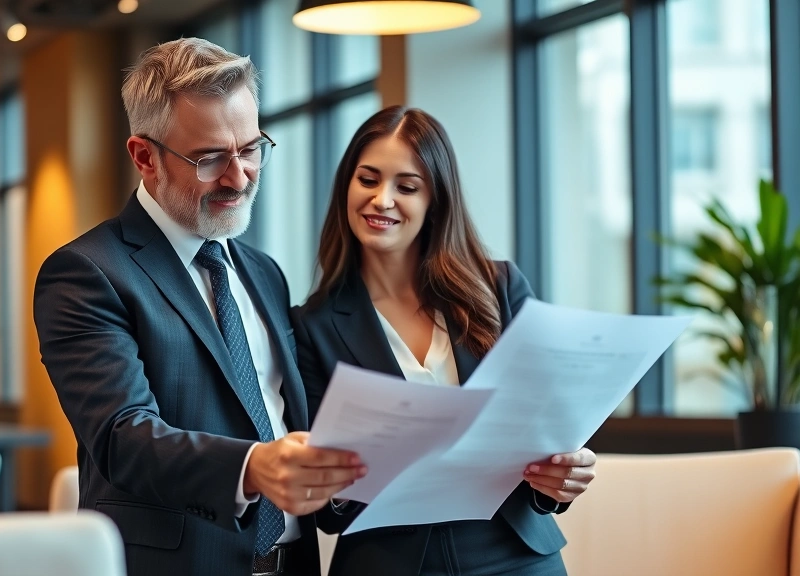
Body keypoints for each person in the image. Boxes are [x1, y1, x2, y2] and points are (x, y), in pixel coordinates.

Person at [33, 38, 366, 576]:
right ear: (144, 157)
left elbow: (285, 416)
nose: (239, 176)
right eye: (210, 158)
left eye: (251, 149)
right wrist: (253, 466)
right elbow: (123, 437)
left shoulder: (264, 272)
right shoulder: (87, 273)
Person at [291, 106, 597, 576]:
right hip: (390, 564)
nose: (382, 200)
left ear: (435, 200)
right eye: (368, 180)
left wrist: (562, 473)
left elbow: (550, 427)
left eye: (407, 187)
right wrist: (333, 483)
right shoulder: (312, 325)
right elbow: (328, 510)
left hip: (513, 554)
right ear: (346, 187)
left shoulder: (498, 289)